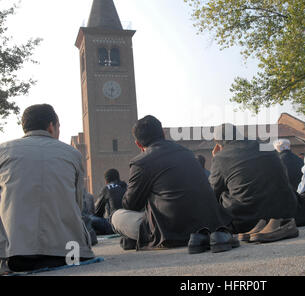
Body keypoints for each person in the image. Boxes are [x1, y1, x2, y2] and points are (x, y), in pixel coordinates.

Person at [111, 115, 232, 250]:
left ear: (138, 144)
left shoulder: (141, 163)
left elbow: (130, 204)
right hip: (206, 228)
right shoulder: (188, 154)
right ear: (163, 133)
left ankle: (136, 239)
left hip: (171, 233)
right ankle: (135, 239)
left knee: (116, 217)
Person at [0, 104, 94, 272]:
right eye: (58, 127)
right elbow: (78, 205)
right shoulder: (73, 154)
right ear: (51, 126)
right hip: (69, 252)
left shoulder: (3, 151)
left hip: (15, 255)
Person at [209, 123, 300, 235]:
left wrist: (216, 159)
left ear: (218, 144)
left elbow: (213, 192)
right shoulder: (265, 145)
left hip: (249, 218)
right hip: (287, 211)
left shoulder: (221, 157)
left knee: (222, 195)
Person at [91, 169, 127, 235]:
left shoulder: (107, 188)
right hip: (127, 224)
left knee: (89, 218)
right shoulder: (126, 186)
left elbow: (97, 211)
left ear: (106, 180)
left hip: (114, 226)